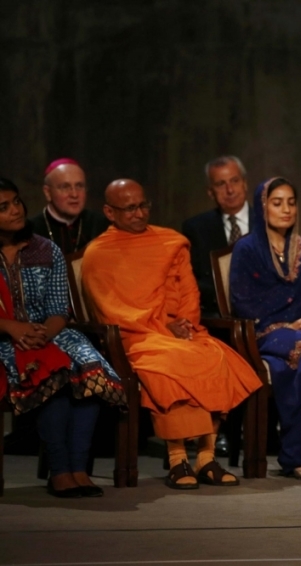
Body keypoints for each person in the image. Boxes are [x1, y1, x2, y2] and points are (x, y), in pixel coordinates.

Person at [82, 179, 262, 489]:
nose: (140, 213)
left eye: (143, 205)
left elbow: (188, 291)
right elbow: (111, 311)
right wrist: (162, 327)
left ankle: (206, 458)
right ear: (109, 212)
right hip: (135, 338)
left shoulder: (169, 242)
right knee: (168, 366)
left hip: (175, 334)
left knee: (214, 355)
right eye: (130, 208)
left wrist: (184, 322)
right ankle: (178, 459)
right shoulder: (99, 253)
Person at [0, 177, 125, 498]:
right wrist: (14, 328)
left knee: (89, 370)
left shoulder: (45, 248)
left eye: (16, 202)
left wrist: (45, 334)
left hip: (49, 332)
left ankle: (78, 468)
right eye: (4, 207)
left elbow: (58, 308)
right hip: (4, 338)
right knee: (53, 373)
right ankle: (59, 470)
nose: (15, 210)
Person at [230, 177, 301, 480]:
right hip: (267, 331)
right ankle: (297, 454)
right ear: (262, 207)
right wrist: (288, 324)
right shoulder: (247, 248)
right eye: (277, 203)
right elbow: (243, 301)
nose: (286, 209)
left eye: (291, 202)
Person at [182, 156, 252, 317]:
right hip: (218, 317)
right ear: (210, 192)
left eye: (234, 181)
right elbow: (191, 281)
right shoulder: (195, 228)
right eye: (221, 184)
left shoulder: (268, 222)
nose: (230, 190)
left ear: (245, 183)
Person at [29, 158, 110, 254]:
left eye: (79, 186)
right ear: (48, 193)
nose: (74, 194)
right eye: (65, 187)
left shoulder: (101, 224)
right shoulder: (31, 231)